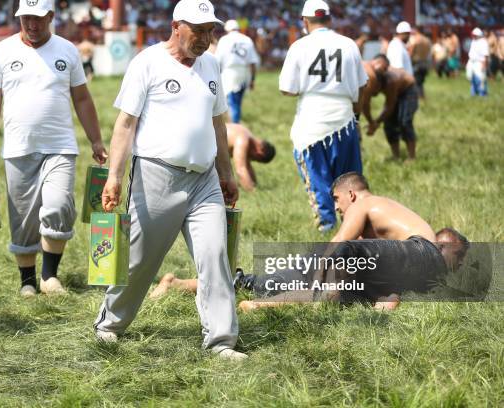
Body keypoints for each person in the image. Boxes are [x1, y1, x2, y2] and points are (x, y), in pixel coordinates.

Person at [93, 0, 245, 360]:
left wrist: (226, 172)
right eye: (199, 30)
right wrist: (114, 176)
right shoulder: (148, 62)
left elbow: (218, 123)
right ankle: (109, 325)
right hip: (155, 177)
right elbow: (125, 125)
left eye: (211, 31)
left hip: (204, 181)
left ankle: (221, 341)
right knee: (138, 261)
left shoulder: (211, 65)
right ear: (177, 26)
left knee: (215, 256)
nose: (207, 38)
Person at [152, 173, 469, 312]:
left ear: (351, 194)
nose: (339, 208)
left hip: (420, 257)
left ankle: (273, 299)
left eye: (337, 201)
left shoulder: (365, 203)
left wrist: (315, 272)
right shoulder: (389, 221)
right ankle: (178, 283)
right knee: (271, 281)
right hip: (417, 265)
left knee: (333, 266)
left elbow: (341, 243)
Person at [0, 0, 107, 297]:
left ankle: (49, 276)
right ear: (18, 17)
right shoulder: (2, 52)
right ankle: (27, 281)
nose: (31, 25)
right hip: (18, 148)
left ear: (50, 16)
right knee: (23, 218)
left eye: (38, 19)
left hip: (60, 146)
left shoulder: (67, 50)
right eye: (26, 19)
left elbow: (82, 99)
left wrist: (96, 140)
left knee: (59, 206)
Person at [279, 0, 367, 233]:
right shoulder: (349, 45)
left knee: (318, 179)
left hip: (312, 120)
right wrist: (356, 117)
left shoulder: (299, 46)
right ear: (329, 19)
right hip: (344, 118)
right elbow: (361, 87)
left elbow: (287, 89)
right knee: (350, 181)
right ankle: (357, 228)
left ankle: (327, 228)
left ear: (304, 21)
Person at [365, 54, 418, 160]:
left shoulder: (391, 81)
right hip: (395, 93)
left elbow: (389, 106)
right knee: (389, 125)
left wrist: (376, 122)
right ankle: (396, 156)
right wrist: (372, 122)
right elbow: (365, 102)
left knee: (404, 121)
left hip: (407, 90)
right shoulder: (370, 74)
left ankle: (412, 157)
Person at [214, 19, 260, 123]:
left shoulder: (224, 40)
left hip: (229, 73)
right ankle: (235, 122)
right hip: (244, 73)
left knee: (232, 102)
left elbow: (217, 60)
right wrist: (252, 79)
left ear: (227, 29)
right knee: (237, 101)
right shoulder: (247, 39)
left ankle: (235, 126)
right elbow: (253, 62)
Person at [226, 122, 276, 192]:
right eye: (256, 159)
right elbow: (240, 170)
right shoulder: (242, 140)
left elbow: (247, 166)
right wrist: (253, 192)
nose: (252, 159)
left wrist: (255, 186)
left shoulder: (247, 134)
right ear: (260, 153)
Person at [408, 28, 431, 100]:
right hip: (425, 63)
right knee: (420, 82)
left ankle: (419, 97)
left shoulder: (415, 39)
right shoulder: (427, 40)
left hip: (416, 63)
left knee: (416, 82)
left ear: (417, 31)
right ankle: (422, 96)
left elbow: (411, 52)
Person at [466, 28, 489, 97]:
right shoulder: (473, 41)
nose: (473, 36)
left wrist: (484, 64)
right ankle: (473, 92)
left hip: (479, 62)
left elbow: (485, 55)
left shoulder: (483, 42)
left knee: (480, 78)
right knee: (470, 77)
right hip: (471, 61)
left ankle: (482, 93)